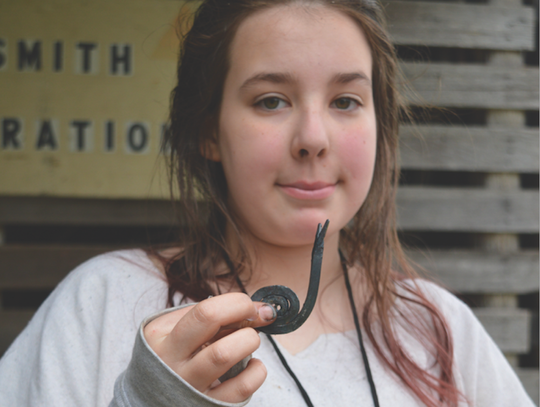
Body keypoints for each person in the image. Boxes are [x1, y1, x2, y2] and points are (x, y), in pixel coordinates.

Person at [0, 0, 535, 406]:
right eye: (271, 100)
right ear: (209, 131)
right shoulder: (105, 304)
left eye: (346, 100)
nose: (313, 137)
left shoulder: (438, 327)